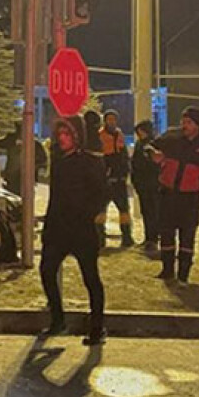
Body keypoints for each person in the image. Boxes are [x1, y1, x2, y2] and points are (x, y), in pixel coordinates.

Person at [40, 117, 109, 345]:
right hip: (59, 229)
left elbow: (101, 193)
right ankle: (58, 320)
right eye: (60, 134)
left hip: (81, 230)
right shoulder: (58, 161)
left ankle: (97, 328)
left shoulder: (89, 161)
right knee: (47, 270)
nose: (62, 139)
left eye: (67, 134)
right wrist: (49, 226)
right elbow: (55, 197)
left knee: (90, 278)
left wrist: (88, 215)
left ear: (77, 136)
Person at [150, 106, 199, 282]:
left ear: (197, 125)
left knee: (187, 235)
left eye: (189, 122)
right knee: (166, 234)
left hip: (190, 197)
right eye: (183, 121)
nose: (184, 125)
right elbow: (149, 146)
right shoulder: (172, 137)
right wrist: (153, 154)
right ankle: (167, 270)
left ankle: (183, 274)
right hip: (168, 194)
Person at [97, 110, 134, 248]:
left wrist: (125, 172)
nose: (111, 122)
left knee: (124, 209)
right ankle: (100, 237)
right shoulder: (100, 135)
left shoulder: (119, 134)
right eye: (109, 119)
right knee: (101, 209)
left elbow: (123, 154)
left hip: (119, 178)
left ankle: (126, 237)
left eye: (113, 119)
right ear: (105, 121)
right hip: (105, 179)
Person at [131, 120, 161, 254]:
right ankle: (148, 238)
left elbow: (154, 165)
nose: (139, 134)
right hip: (142, 184)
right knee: (146, 212)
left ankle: (153, 239)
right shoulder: (139, 143)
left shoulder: (153, 144)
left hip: (152, 184)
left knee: (153, 212)